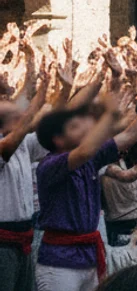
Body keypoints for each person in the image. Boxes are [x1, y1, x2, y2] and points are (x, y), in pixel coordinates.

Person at [34, 87, 137, 291]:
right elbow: (85, 151)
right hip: (59, 263)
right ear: (58, 140)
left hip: (88, 258)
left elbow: (129, 135)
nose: (85, 128)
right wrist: (110, 114)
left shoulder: (90, 160)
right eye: (74, 126)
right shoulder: (50, 165)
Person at [0, 52, 50, 291]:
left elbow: (53, 125)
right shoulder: (9, 142)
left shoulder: (23, 142)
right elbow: (23, 122)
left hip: (25, 237)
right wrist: (38, 92)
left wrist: (55, 88)